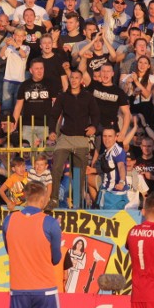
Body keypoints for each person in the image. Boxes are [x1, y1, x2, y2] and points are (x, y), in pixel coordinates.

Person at [48, 70, 100, 207]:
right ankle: (53, 199)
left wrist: (93, 127)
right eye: (72, 78)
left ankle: (77, 203)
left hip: (82, 138)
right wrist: (52, 131)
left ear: (81, 79)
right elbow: (54, 115)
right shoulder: (63, 96)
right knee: (56, 167)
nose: (74, 80)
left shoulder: (88, 97)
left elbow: (95, 114)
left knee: (80, 173)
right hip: (65, 137)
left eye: (77, 78)